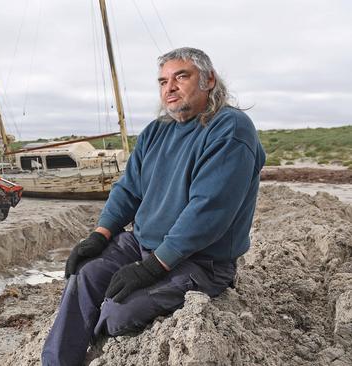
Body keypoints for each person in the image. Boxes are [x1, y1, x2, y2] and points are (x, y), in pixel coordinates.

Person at [41, 47, 266, 365]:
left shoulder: (230, 128)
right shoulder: (156, 132)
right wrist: (100, 235)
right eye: (162, 81)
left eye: (181, 77)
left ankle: (98, 339)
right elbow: (128, 190)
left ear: (209, 80)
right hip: (139, 243)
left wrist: (152, 267)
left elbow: (208, 211)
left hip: (200, 260)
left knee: (119, 313)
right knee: (86, 275)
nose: (169, 88)